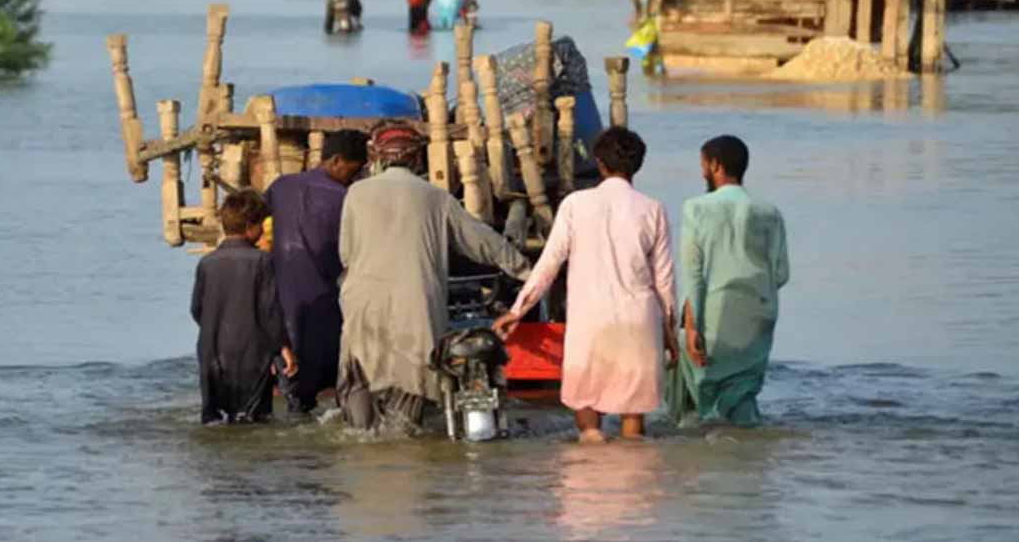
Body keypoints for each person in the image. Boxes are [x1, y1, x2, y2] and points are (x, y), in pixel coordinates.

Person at [337, 122, 531, 434]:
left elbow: (346, 254)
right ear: (416, 159)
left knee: (360, 389)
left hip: (363, 303)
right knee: (411, 398)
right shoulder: (435, 197)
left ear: (377, 157)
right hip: (417, 306)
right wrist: (526, 271)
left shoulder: (356, 194)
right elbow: (483, 242)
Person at [495, 128, 677, 442]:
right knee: (633, 423)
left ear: (599, 163)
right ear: (638, 165)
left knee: (588, 416)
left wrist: (517, 310)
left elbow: (548, 265)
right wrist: (671, 335)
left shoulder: (575, 205)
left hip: (590, 321)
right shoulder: (653, 209)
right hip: (638, 321)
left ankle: (588, 475)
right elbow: (665, 283)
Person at [666, 135, 789, 428]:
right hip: (759, 314)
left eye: (703, 165)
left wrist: (692, 325)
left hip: (714, 312)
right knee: (743, 396)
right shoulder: (769, 212)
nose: (702, 172)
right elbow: (782, 274)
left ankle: (711, 459)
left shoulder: (696, 208)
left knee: (698, 398)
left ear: (715, 166)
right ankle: (751, 465)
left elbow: (694, 274)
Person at [265, 131, 370, 413]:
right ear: (336, 161)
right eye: (355, 169)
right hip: (326, 303)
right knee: (336, 386)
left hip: (283, 305)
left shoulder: (281, 186)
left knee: (295, 393)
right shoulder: (346, 199)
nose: (356, 176)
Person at [190, 190, 298, 424]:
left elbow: (196, 309)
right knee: (254, 421)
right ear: (250, 226)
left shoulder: (206, 263)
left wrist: (217, 327)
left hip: (211, 354)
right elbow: (270, 311)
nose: (261, 231)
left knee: (215, 421)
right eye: (260, 224)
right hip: (251, 355)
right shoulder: (262, 261)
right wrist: (283, 347)